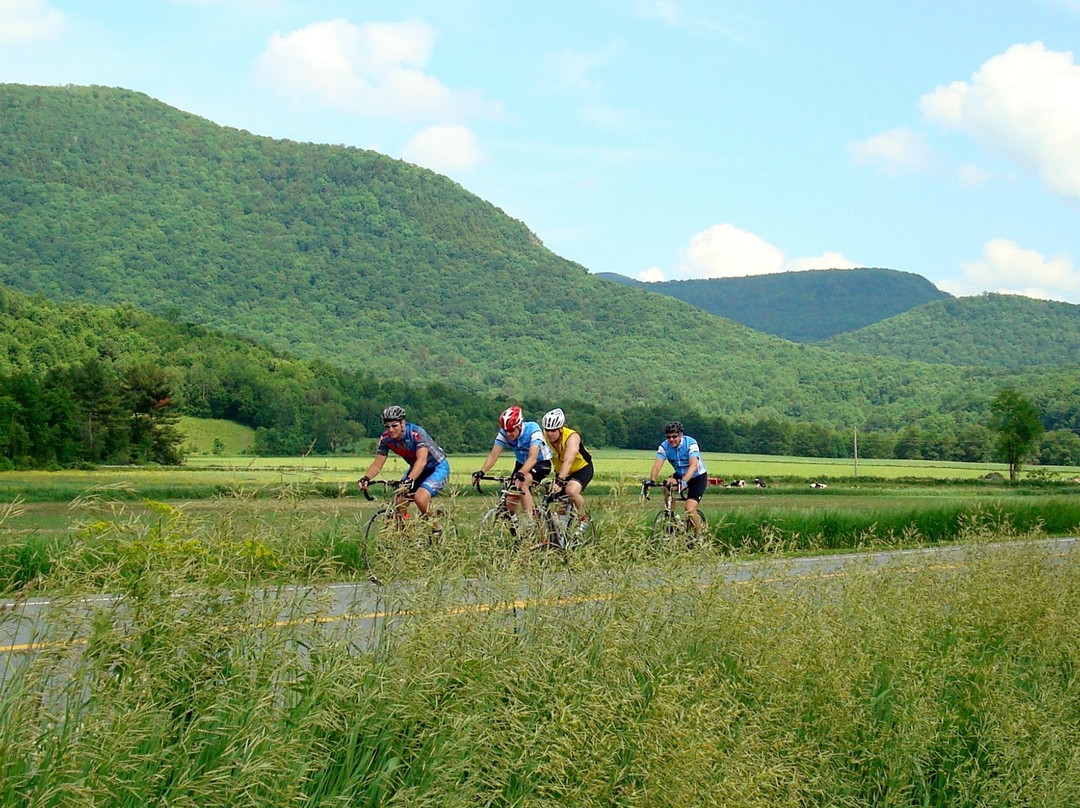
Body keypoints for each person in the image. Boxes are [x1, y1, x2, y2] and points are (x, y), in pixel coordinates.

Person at [358, 405, 450, 518]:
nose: (391, 430)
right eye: (387, 427)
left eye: (394, 426)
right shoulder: (386, 439)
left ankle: (437, 530)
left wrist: (409, 480)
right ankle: (405, 531)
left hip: (437, 467)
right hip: (416, 469)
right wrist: (366, 478)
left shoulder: (415, 434)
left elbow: (421, 461)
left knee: (420, 499)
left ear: (402, 423)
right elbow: (378, 463)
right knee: (399, 500)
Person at [472, 405, 552, 519]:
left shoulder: (533, 429)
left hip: (540, 463)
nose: (508, 434)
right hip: (521, 464)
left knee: (523, 483)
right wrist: (482, 472)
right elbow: (494, 455)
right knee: (510, 500)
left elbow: (532, 457)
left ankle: (530, 524)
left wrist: (521, 474)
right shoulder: (504, 433)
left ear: (519, 425)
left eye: (511, 431)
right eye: (506, 431)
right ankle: (516, 531)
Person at [648, 420, 707, 535]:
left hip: (697, 477)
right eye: (668, 437)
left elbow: (693, 465)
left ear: (681, 435)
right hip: (680, 475)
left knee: (689, 509)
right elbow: (657, 466)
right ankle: (671, 518)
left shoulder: (691, 443)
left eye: (674, 436)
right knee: (667, 484)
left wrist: (684, 482)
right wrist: (652, 481)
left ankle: (699, 535)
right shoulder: (664, 446)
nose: (671, 440)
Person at [541, 407, 594, 534]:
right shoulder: (544, 436)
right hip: (561, 471)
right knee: (559, 509)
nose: (549, 434)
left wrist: (559, 482)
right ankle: (561, 537)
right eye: (547, 430)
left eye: (553, 430)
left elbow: (568, 461)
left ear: (560, 428)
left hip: (581, 468)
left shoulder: (572, 437)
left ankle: (584, 519)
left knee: (570, 491)